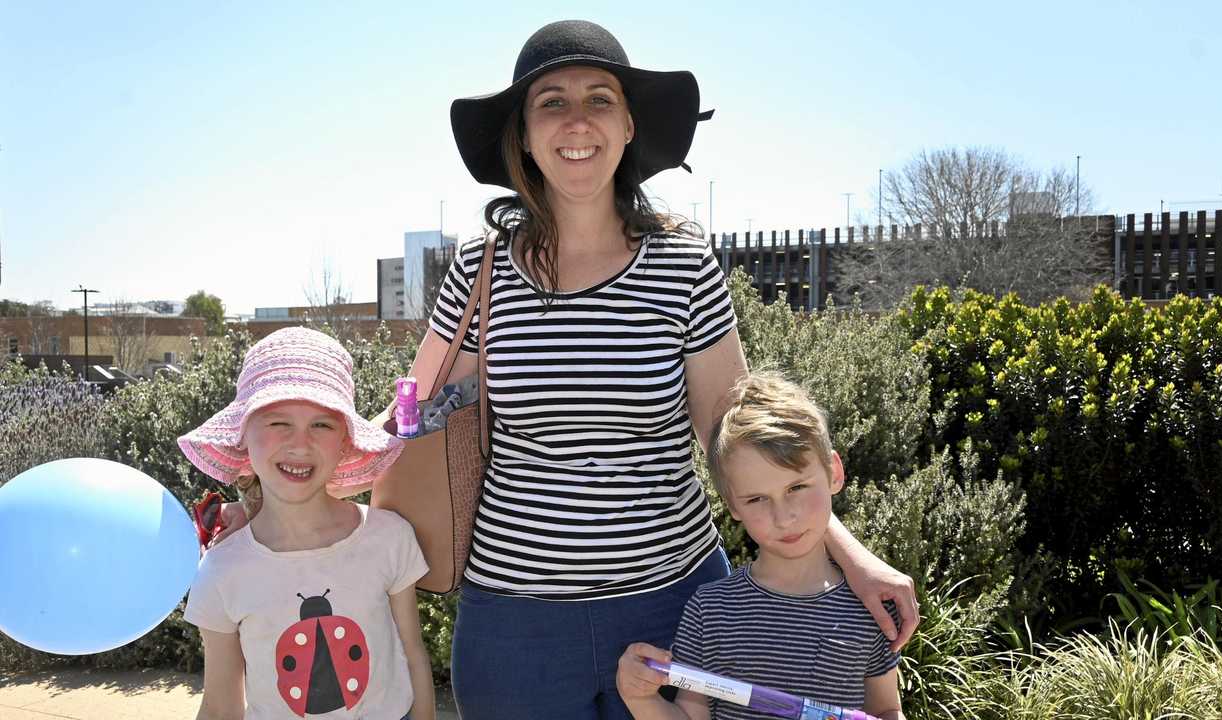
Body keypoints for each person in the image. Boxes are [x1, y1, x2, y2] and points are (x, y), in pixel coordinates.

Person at [206, 19, 919, 720]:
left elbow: (743, 445)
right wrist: (270, 508)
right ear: (523, 132)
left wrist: (850, 557)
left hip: (675, 607)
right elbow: (405, 425)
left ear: (629, 125)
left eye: (599, 98)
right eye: (553, 101)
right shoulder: (481, 270)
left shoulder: (683, 265)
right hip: (517, 627)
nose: (577, 120)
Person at [179, 327, 435, 720]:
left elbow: (413, 657)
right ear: (242, 435)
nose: (300, 444)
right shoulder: (221, 570)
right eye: (278, 422)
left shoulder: (389, 538)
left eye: (322, 425)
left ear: (346, 441)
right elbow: (219, 706)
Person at [616, 373, 905, 720]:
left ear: (834, 472)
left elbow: (887, 709)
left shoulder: (869, 611)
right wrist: (642, 699)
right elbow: (691, 715)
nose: (783, 517)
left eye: (797, 488)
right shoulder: (710, 611)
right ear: (733, 506)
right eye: (757, 499)